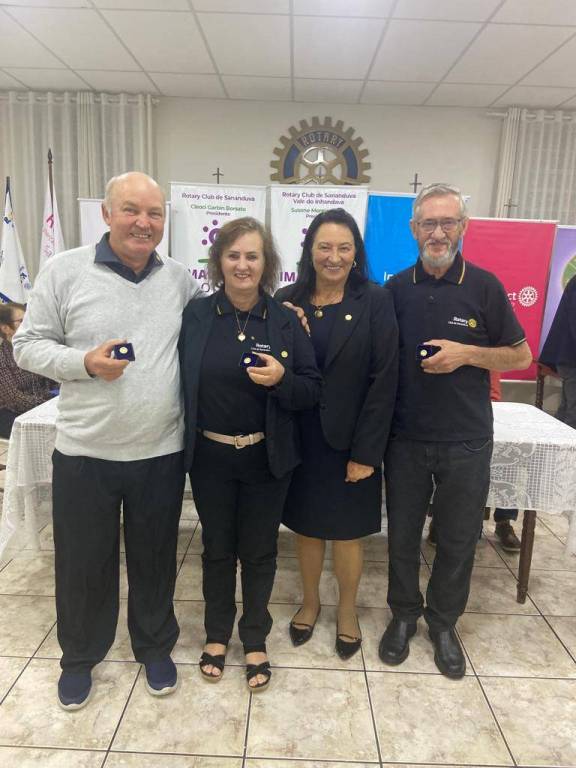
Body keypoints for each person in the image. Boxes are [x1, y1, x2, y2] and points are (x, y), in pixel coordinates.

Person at [13, 172, 201, 710]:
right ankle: (79, 658)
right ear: (107, 214)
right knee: (82, 564)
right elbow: (27, 345)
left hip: (160, 452)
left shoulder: (179, 280)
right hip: (85, 454)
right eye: (131, 210)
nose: (144, 222)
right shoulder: (65, 270)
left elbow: (217, 325)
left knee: (155, 561)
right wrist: (84, 363)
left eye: (155, 213)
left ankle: (154, 646)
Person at [379, 183, 532, 679]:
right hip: (405, 439)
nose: (438, 233)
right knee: (402, 537)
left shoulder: (485, 286)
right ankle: (404, 615)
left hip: (467, 439)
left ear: (463, 227)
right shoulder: (394, 290)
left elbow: (520, 355)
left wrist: (466, 353)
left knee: (458, 538)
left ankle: (443, 623)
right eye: (429, 223)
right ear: (413, 229)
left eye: (448, 223)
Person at [179, 217, 321, 691]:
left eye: (252, 256)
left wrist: (282, 380)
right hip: (210, 458)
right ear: (219, 261)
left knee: (259, 553)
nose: (243, 265)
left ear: (267, 263)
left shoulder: (284, 320)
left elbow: (311, 389)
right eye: (233, 255)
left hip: (266, 459)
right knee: (218, 550)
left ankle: (255, 637)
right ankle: (217, 634)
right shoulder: (196, 316)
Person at [275, 208, 399, 660]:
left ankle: (347, 610)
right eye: (324, 246)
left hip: (351, 441)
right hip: (301, 437)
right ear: (309, 250)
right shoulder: (287, 299)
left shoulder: (375, 300)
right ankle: (310, 603)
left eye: (344, 247)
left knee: (348, 533)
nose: (334, 256)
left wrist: (366, 453)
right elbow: (276, 365)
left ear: (356, 253)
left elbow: (385, 379)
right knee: (307, 529)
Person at [427, 371, 521, 552]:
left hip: (483, 404)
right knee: (441, 459)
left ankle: (504, 520)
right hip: (448, 405)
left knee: (511, 457)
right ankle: (439, 520)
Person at [0, 302, 57, 437]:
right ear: (6, 328)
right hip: (12, 413)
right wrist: (46, 405)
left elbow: (53, 376)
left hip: (43, 403)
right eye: (22, 321)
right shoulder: (2, 357)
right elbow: (14, 398)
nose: (29, 324)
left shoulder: (35, 348)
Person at [540, 274, 576, 429]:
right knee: (572, 415)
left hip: (569, 357)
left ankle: (557, 443)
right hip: (571, 358)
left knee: (567, 411)